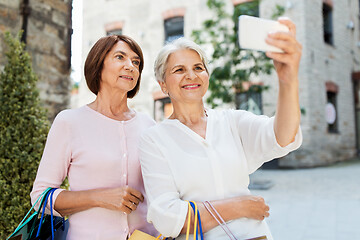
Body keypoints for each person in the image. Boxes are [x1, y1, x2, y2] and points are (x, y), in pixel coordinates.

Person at [139, 18, 303, 240]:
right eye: (179, 69)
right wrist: (240, 206)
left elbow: (283, 137)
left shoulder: (232, 121)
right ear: (163, 84)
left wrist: (288, 79)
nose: (191, 75)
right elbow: (168, 219)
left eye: (198, 67)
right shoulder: (155, 139)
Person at [31, 35, 157, 239]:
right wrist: (99, 197)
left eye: (136, 62)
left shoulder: (149, 126)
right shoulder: (69, 122)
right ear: (98, 64)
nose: (131, 66)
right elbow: (40, 198)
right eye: (120, 57)